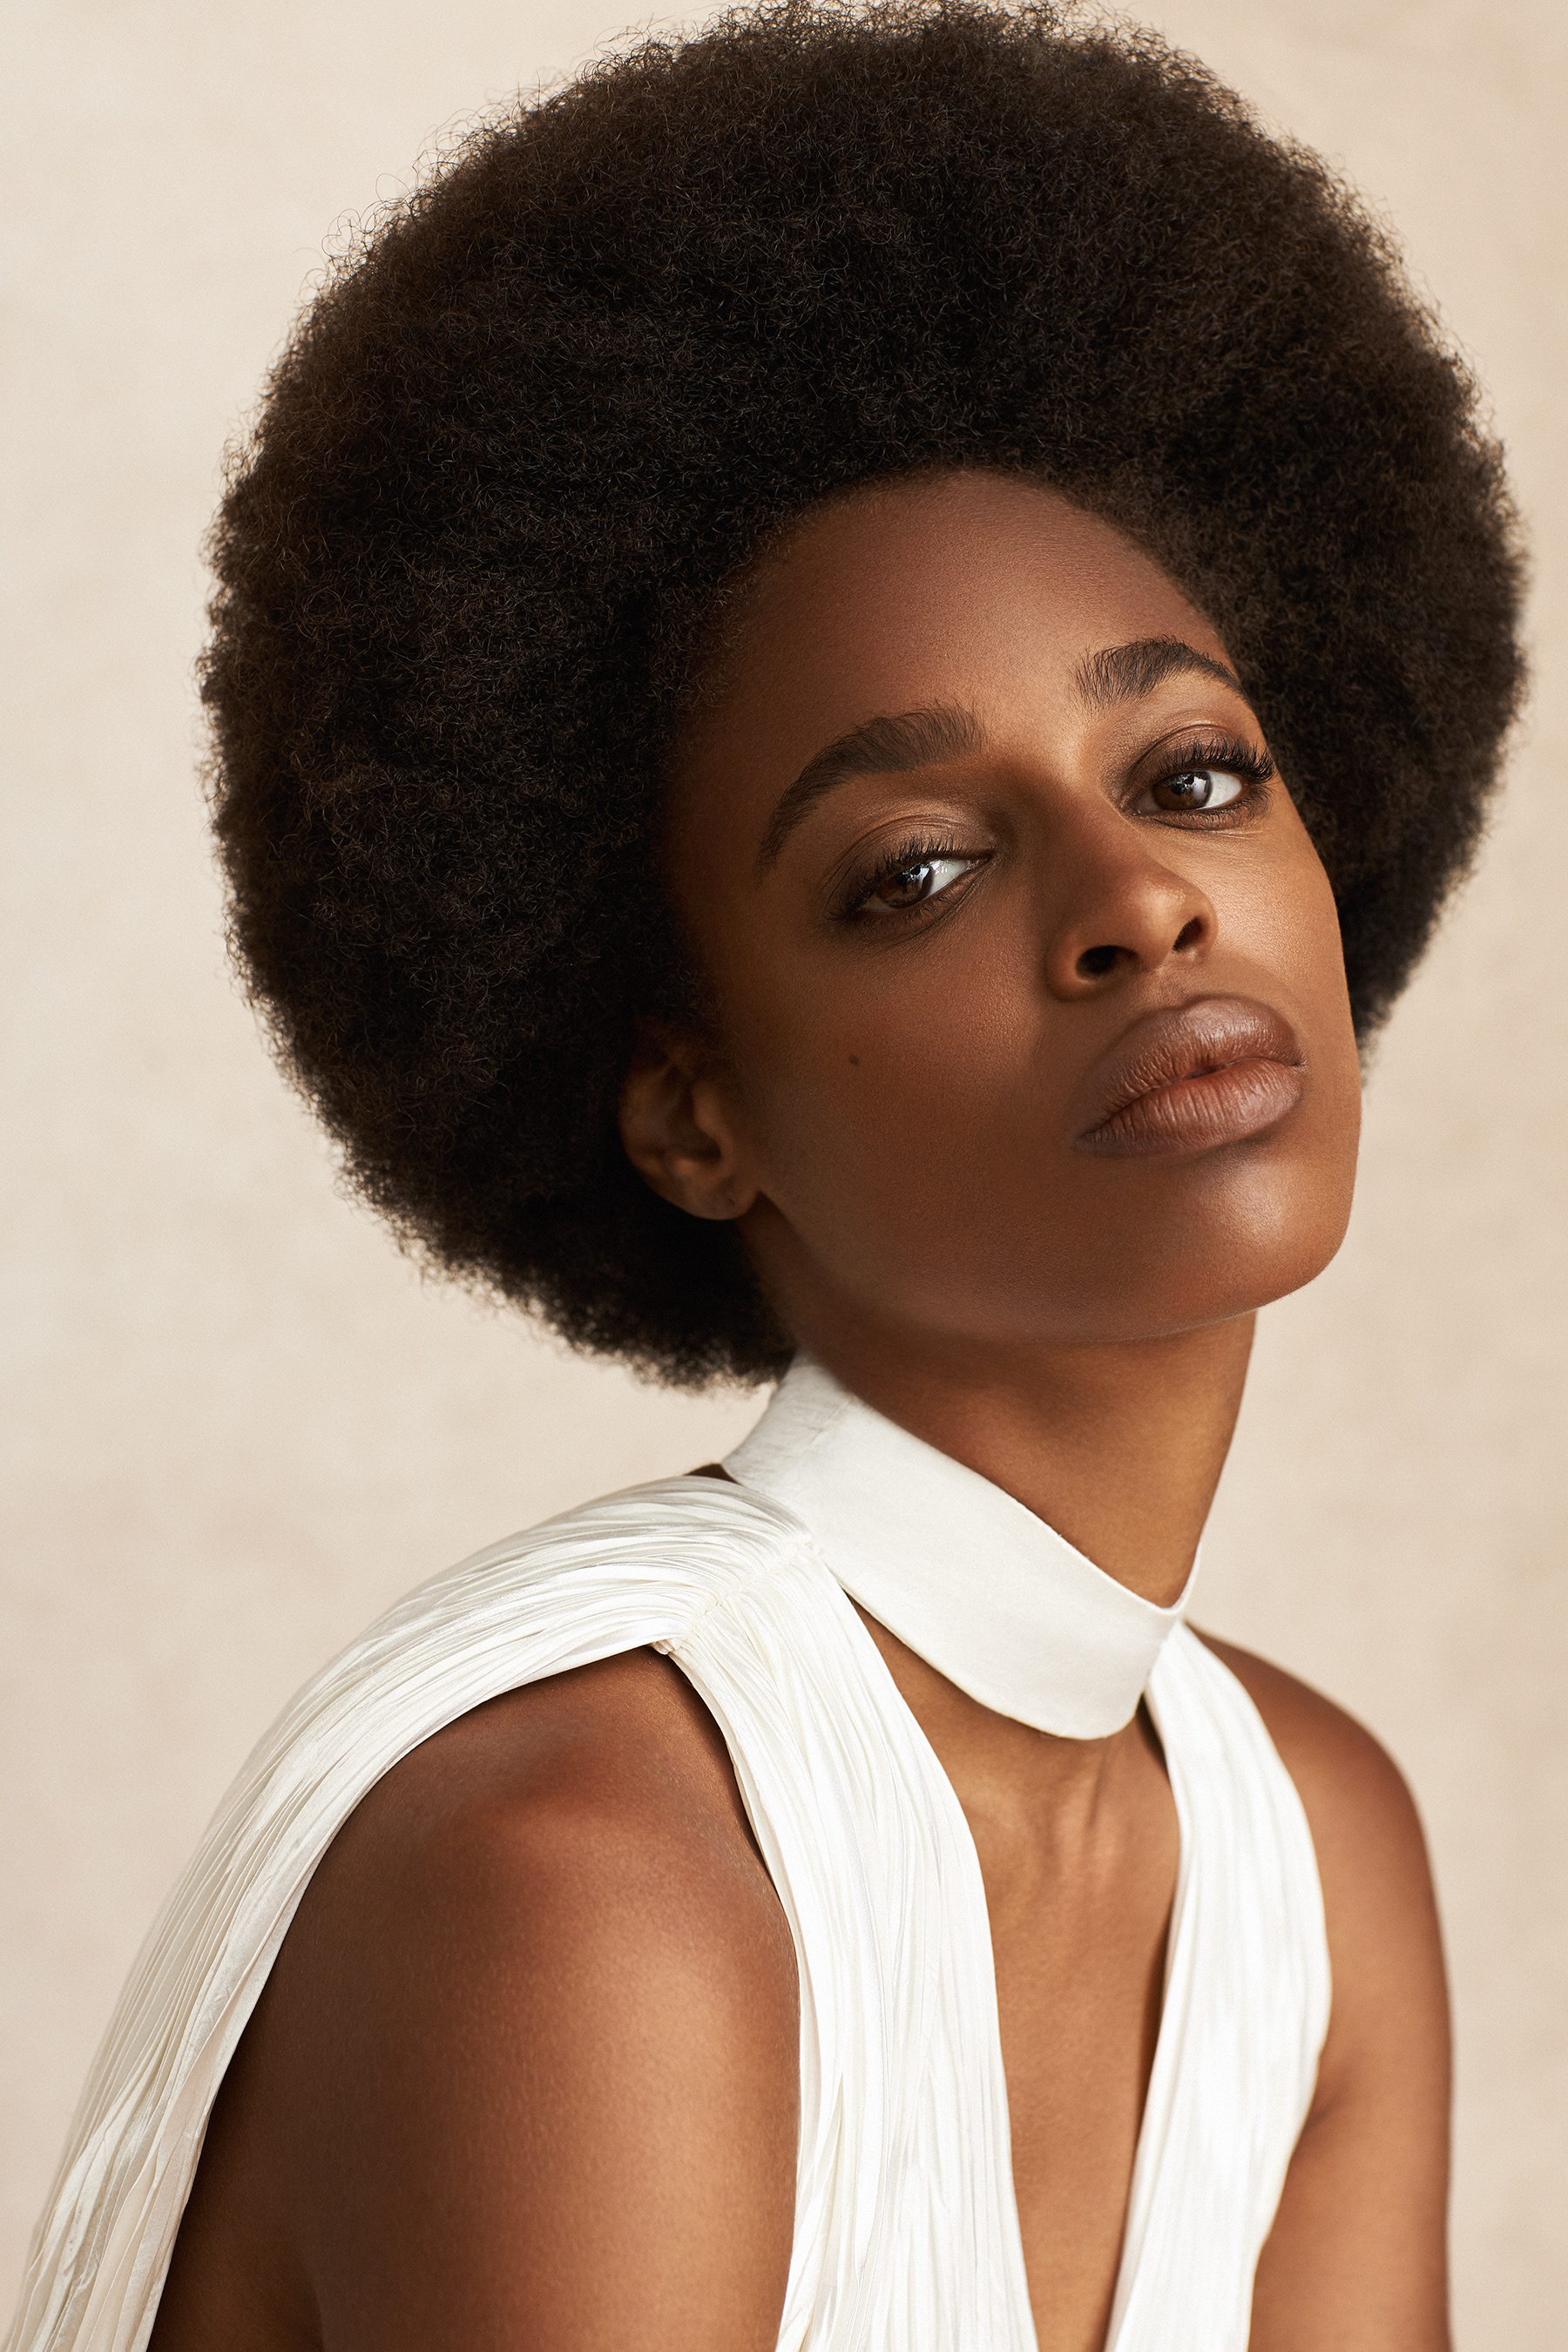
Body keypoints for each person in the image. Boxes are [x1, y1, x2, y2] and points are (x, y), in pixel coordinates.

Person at [8, 4, 1523, 2349]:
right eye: (916, 868)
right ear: (690, 1109)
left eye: (1197, 770)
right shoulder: (587, 1873)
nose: (1139, 898)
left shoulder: (1303, 1849)